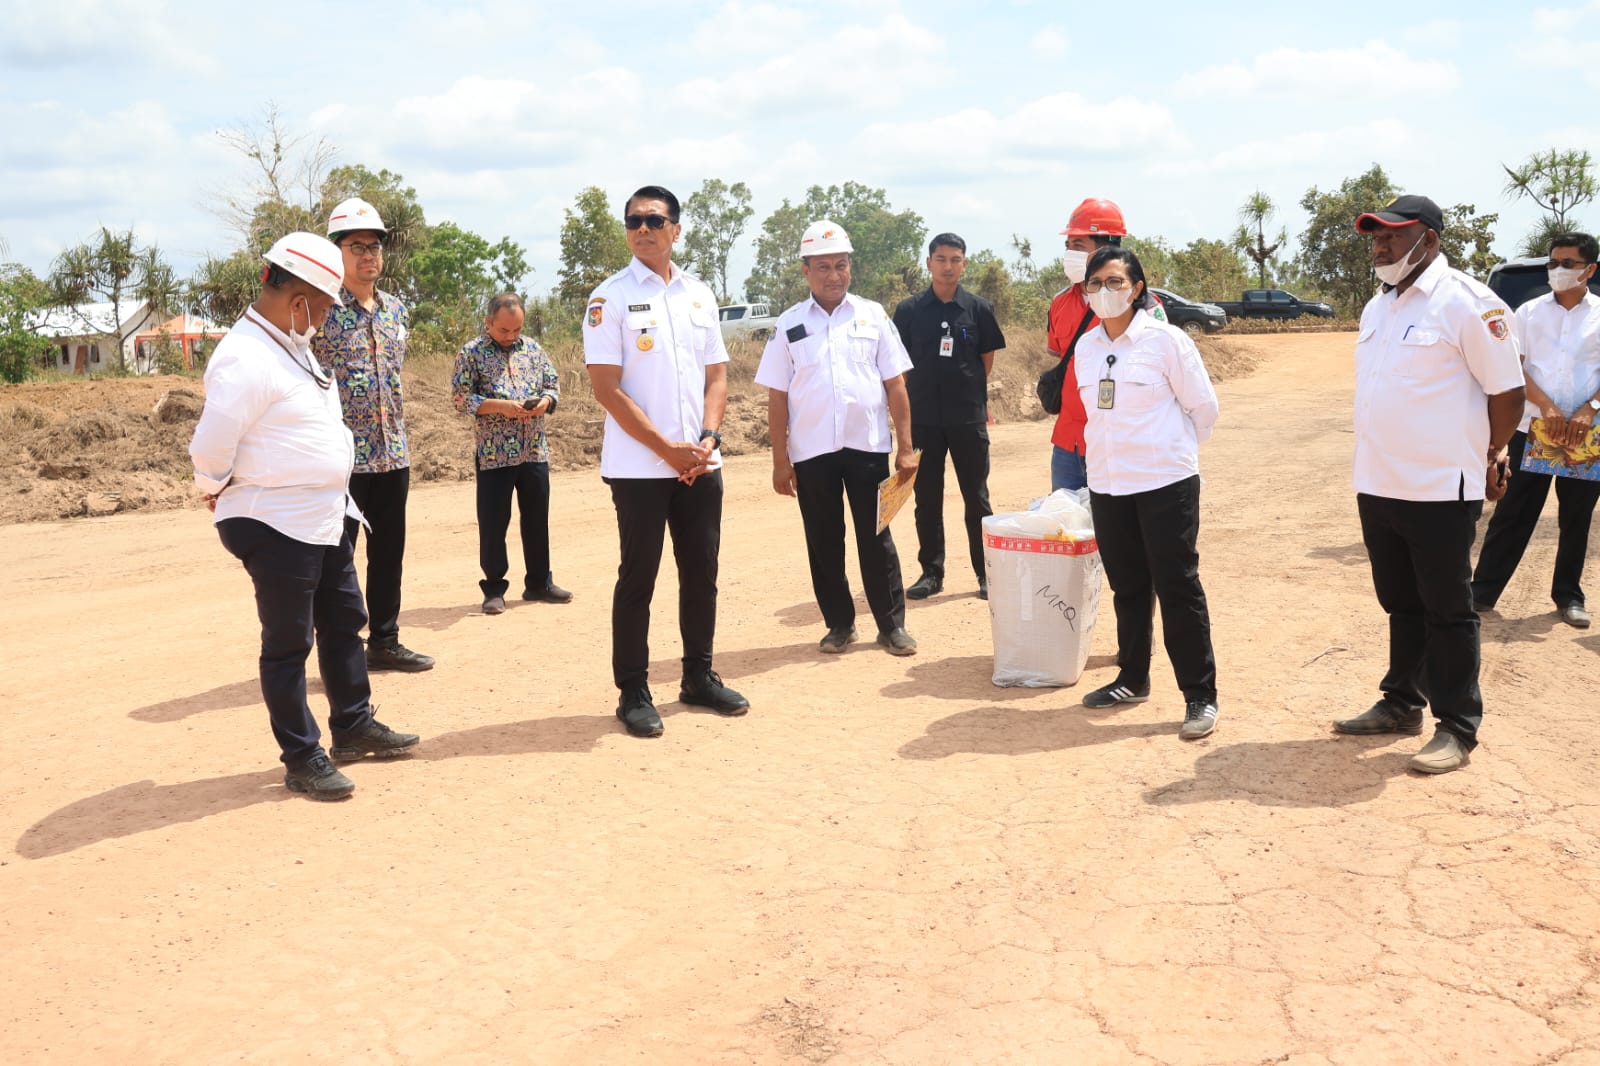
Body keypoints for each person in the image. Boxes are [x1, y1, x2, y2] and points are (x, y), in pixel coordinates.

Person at [189, 233, 420, 801]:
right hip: (275, 520)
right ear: (297, 300)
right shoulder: (245, 357)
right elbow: (210, 446)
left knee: (345, 622)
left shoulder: (291, 344)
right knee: (289, 645)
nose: (323, 317)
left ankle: (353, 725)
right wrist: (215, 488)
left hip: (322, 514)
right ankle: (301, 755)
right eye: (320, 306)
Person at [1333, 195, 1525, 774]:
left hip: (1441, 486)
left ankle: (1458, 726)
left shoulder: (1468, 304)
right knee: (1401, 603)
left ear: (1430, 240)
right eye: (1376, 237)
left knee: (1448, 608)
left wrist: (1492, 454)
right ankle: (1401, 703)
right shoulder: (1378, 308)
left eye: (1393, 236)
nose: (1380, 246)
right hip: (1378, 480)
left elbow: (1508, 392)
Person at [583, 185, 749, 739]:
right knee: (639, 577)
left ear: (676, 229)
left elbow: (717, 375)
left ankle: (699, 676)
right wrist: (666, 450)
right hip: (639, 468)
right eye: (633, 221)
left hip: (701, 462)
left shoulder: (699, 294)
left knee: (701, 573)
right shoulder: (607, 298)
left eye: (655, 219)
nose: (643, 229)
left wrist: (706, 439)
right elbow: (606, 389)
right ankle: (632, 690)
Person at [1072, 246, 1221, 741]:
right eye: (1095, 284)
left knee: (1177, 585)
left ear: (1137, 289)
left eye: (1115, 282)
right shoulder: (1087, 348)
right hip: (1109, 484)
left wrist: (1169, 454)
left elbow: (1204, 409)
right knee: (1128, 587)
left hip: (1165, 484)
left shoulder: (1167, 341)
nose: (1104, 292)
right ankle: (1132, 678)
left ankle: (1199, 694)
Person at [757, 220, 920, 656]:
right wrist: (780, 460)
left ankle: (891, 626)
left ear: (851, 267)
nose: (834, 275)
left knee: (877, 538)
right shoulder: (789, 325)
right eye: (824, 266)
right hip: (812, 453)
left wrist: (905, 448)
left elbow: (896, 385)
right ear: (806, 270)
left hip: (867, 447)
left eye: (841, 265)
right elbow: (777, 396)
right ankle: (839, 625)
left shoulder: (873, 315)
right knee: (824, 540)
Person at [315, 197, 433, 673]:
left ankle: (384, 641)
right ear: (336, 253)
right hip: (340, 458)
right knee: (335, 564)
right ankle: (338, 655)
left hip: (392, 453)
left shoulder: (395, 310)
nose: (369, 255)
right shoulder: (318, 309)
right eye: (357, 246)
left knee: (388, 556)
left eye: (375, 246)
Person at [1470, 232, 1600, 629]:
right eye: (1553, 263)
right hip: (1533, 429)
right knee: (1513, 513)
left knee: (1576, 516)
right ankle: (1482, 592)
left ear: (1589, 269)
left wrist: (1588, 408)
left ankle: (1568, 596)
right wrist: (1545, 405)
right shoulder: (1527, 313)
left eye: (1568, 264)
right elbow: (1515, 366)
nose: (1557, 270)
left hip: (1584, 434)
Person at [892, 233, 1006, 600]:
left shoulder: (978, 309)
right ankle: (931, 572)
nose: (947, 266)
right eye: (940, 259)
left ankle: (986, 574)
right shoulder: (909, 311)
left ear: (964, 264)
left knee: (977, 498)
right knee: (927, 498)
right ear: (928, 263)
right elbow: (898, 368)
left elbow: (985, 360)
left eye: (955, 259)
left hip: (968, 418)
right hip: (923, 418)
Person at [452, 292, 572, 615]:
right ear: (488, 321)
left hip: (533, 449)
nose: (511, 336)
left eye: (516, 330)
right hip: (494, 453)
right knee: (494, 523)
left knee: (537, 518)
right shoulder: (471, 353)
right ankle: (493, 588)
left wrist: (545, 403)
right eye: (504, 330)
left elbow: (552, 384)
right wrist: (502, 408)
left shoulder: (533, 349)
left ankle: (538, 583)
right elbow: (461, 398)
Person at [1046, 198, 1164, 492]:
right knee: (1069, 529)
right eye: (1068, 246)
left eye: (1078, 245)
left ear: (1107, 248)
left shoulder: (1145, 307)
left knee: (1120, 534)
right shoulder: (1061, 303)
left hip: (1126, 446)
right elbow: (1061, 356)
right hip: (1069, 446)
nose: (1069, 254)